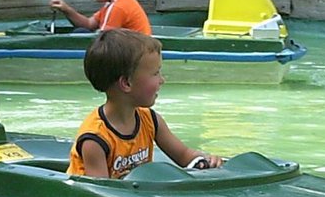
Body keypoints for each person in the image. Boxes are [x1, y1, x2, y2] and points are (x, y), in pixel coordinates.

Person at [67, 29, 223, 178]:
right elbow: (100, 193)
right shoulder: (95, 139)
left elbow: (184, 155)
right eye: (155, 73)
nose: (162, 80)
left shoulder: (150, 120)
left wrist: (205, 161)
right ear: (126, 83)